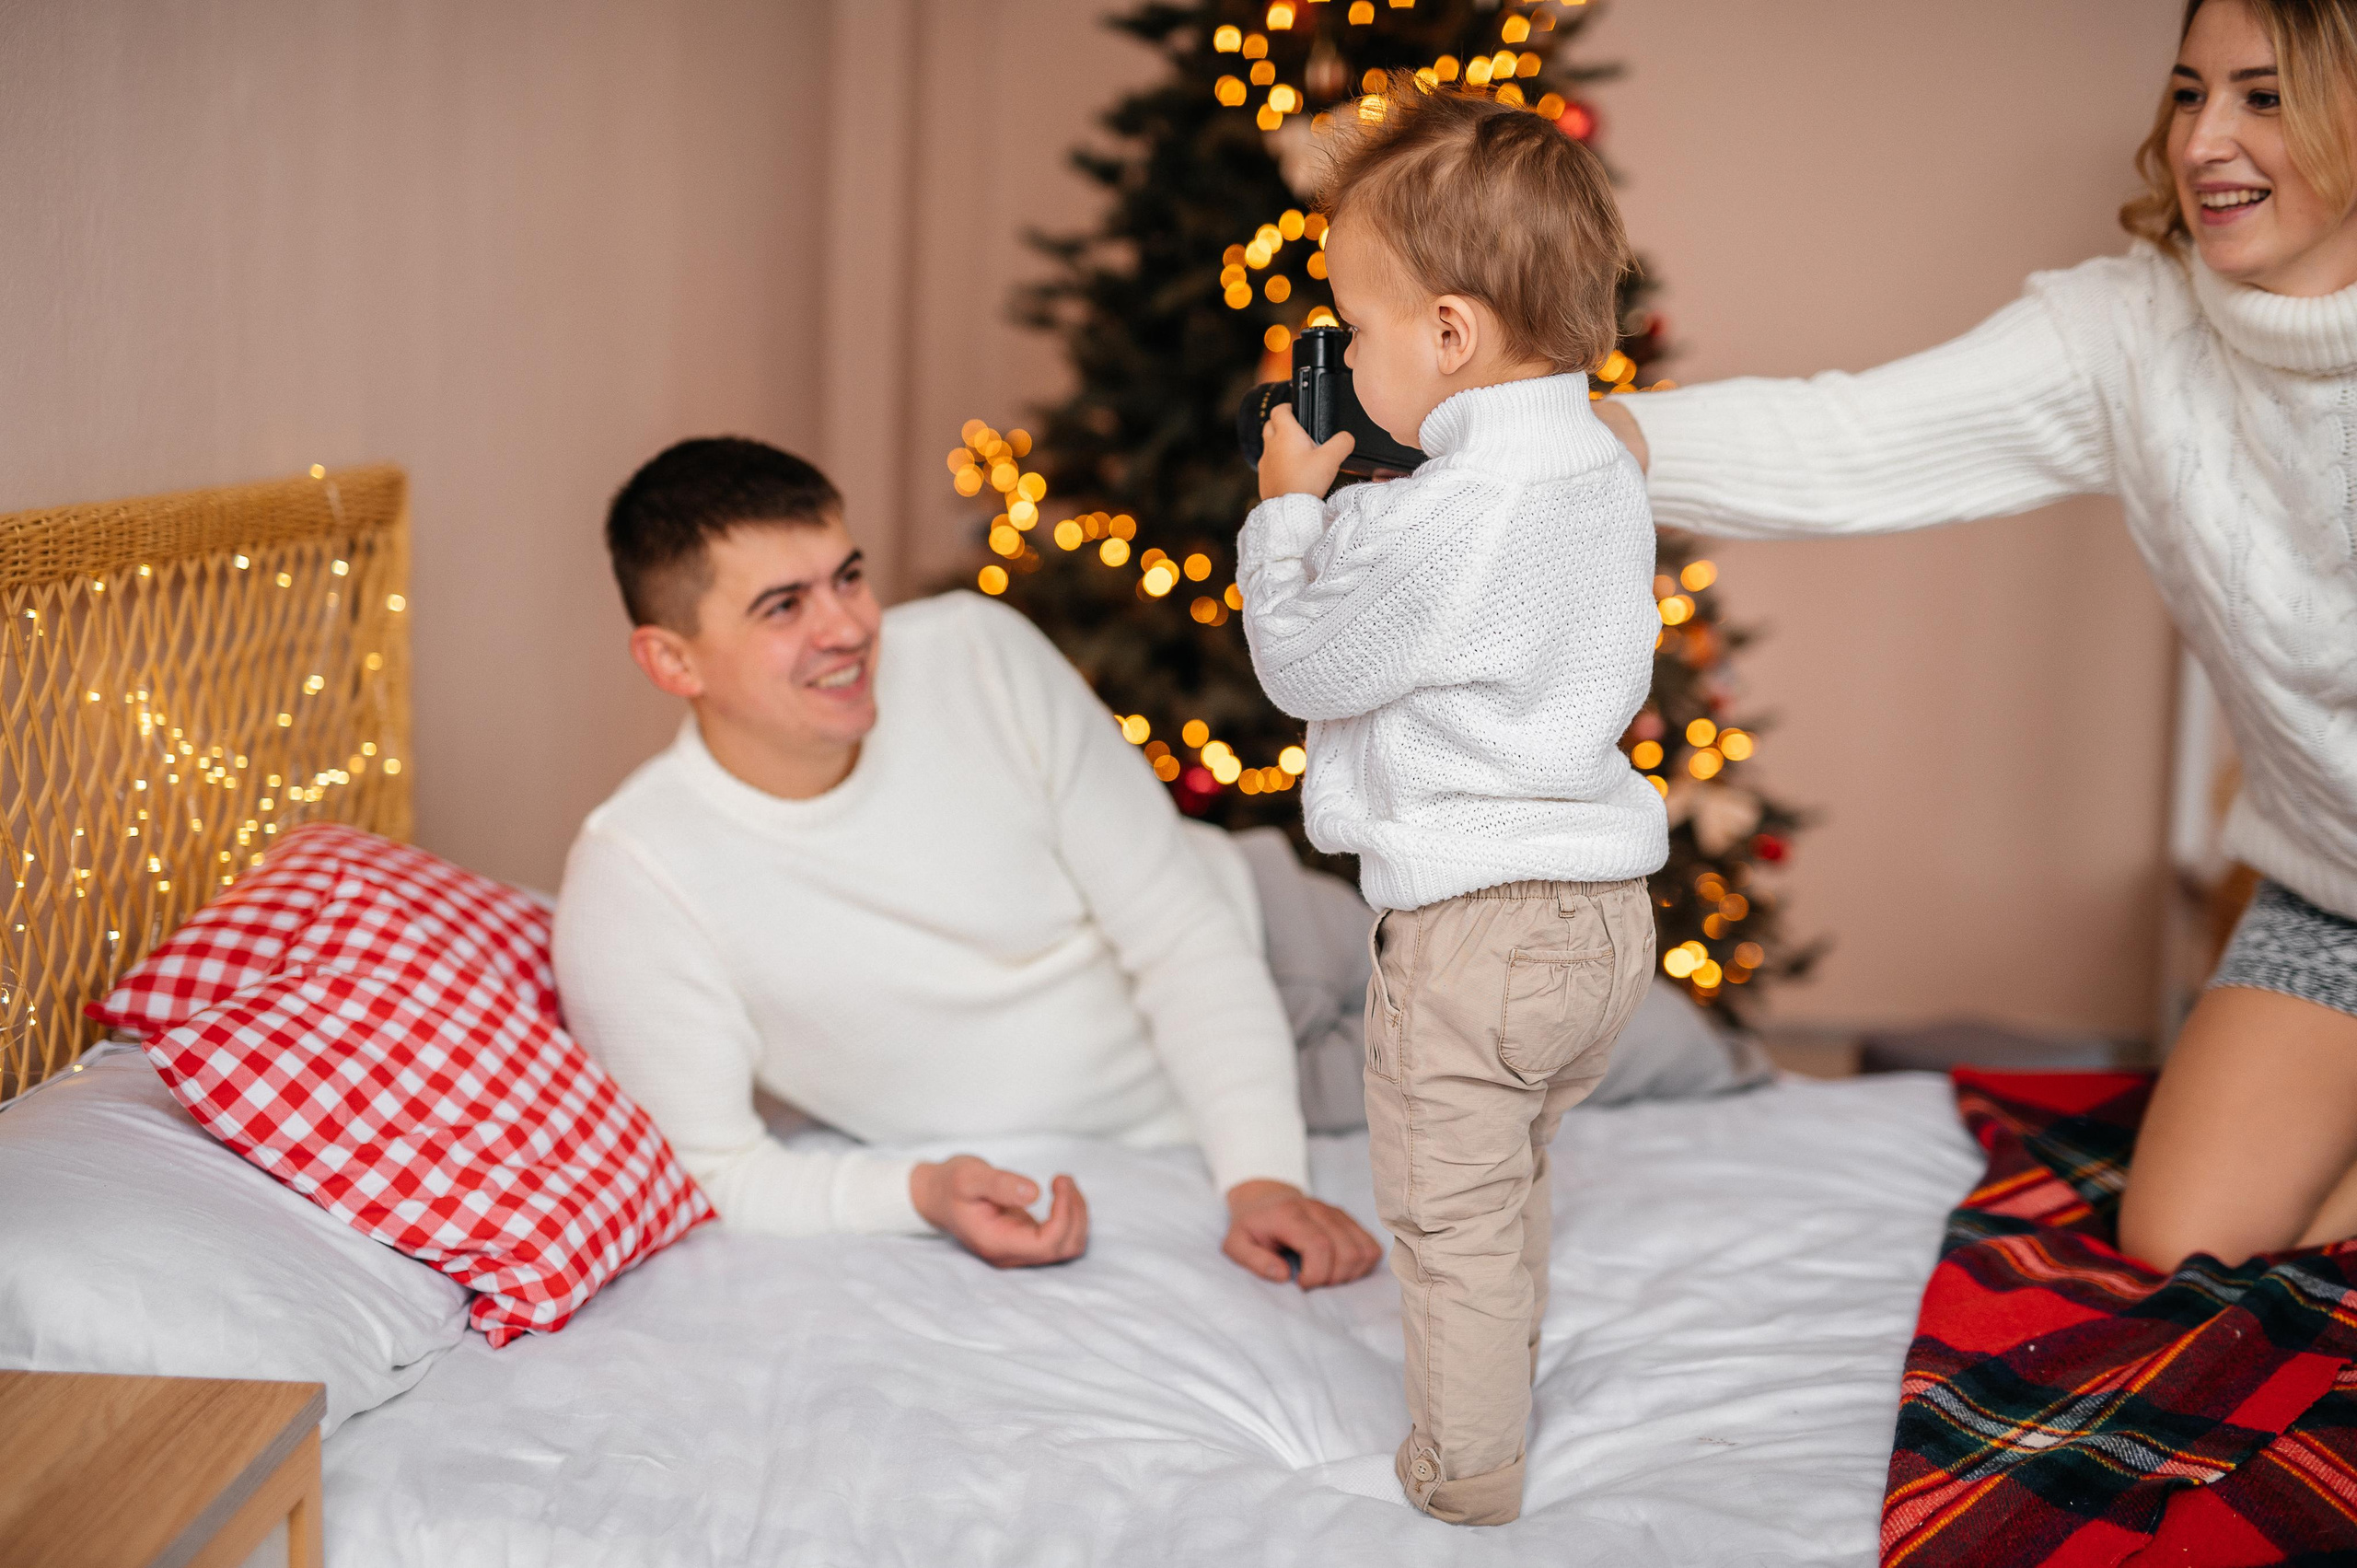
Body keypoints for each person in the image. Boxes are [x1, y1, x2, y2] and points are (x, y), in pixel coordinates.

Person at [1596, 0, 2357, 1274]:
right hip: (2328, 894)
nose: (2207, 138)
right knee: (2186, 1241)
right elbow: (1843, 440)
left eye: (2264, 96)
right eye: (2187, 92)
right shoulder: (2131, 332)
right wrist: (1532, 434)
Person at [553, 437, 1383, 1290]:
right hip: (1243, 1099)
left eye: (847, 576)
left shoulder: (974, 652)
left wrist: (1263, 1181)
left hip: (1274, 935)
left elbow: (1177, 926)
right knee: (1501, 1094)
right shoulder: (637, 881)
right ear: (671, 659)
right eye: (783, 607)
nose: (845, 628)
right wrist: (922, 1192)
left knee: (1515, 996)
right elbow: (718, 1168)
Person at [1238, 83, 1667, 1526]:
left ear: (1448, 335)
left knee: (1451, 1215)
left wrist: (1288, 507)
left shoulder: (1443, 520)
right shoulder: (1607, 459)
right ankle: (1509, 1379)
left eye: (1357, 327)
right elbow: (1467, 564)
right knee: (1518, 1177)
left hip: (1474, 930)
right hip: (1605, 922)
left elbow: (1306, 655)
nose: (1348, 356)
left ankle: (1466, 1472)